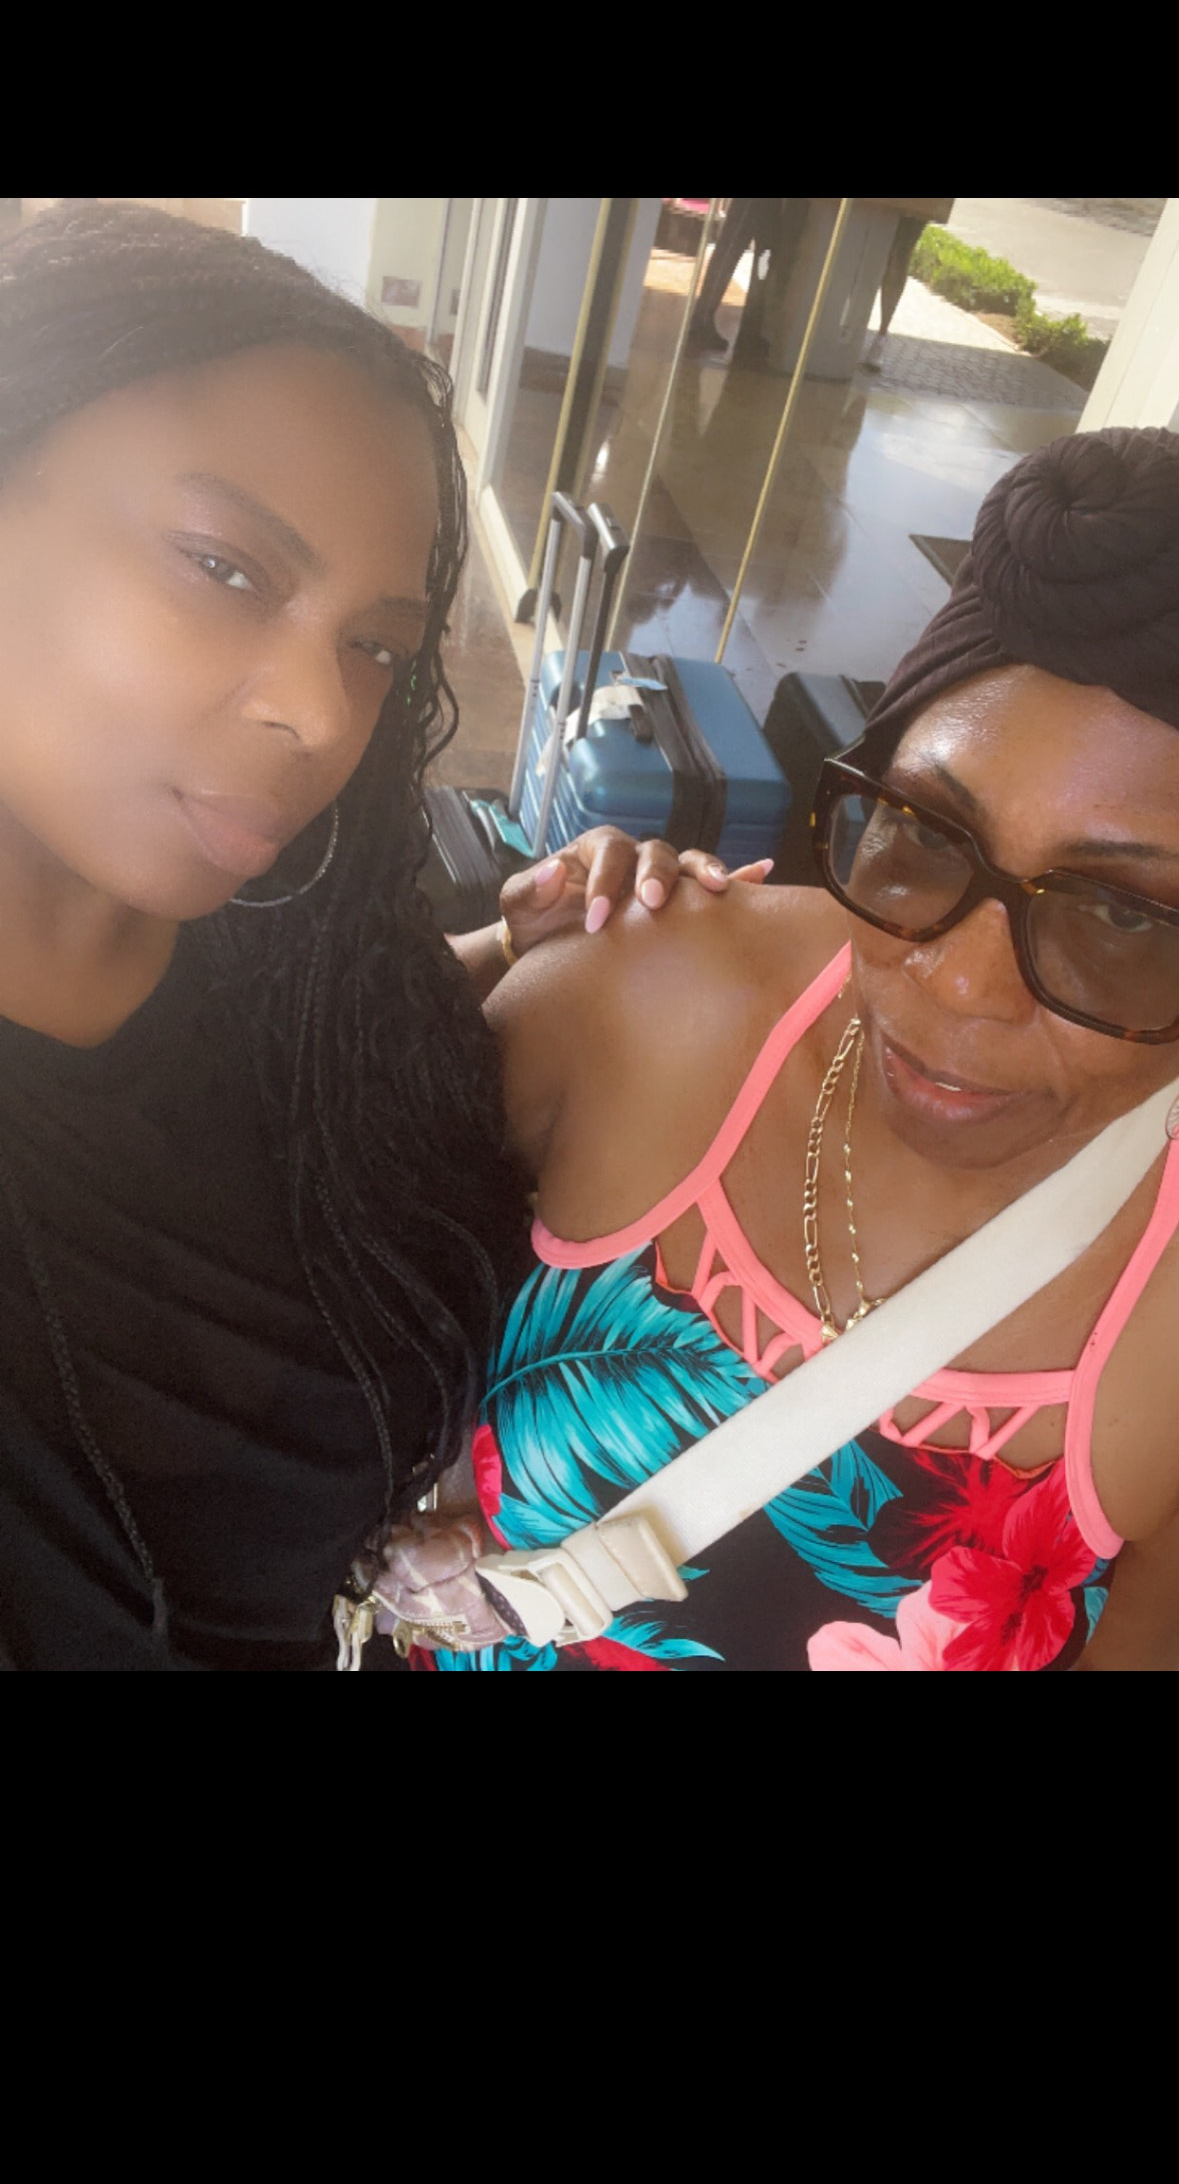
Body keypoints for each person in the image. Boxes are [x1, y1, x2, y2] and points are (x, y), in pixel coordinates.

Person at [0, 200, 739, 1673]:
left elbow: (230, 1089)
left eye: (376, 645)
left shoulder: (296, 957)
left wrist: (525, 955)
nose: (321, 713)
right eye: (225, 568)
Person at [377, 427, 1179, 1671]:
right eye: (924, 832)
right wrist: (495, 947)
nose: (961, 982)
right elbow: (288, 1228)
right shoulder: (651, 991)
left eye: (1124, 919)